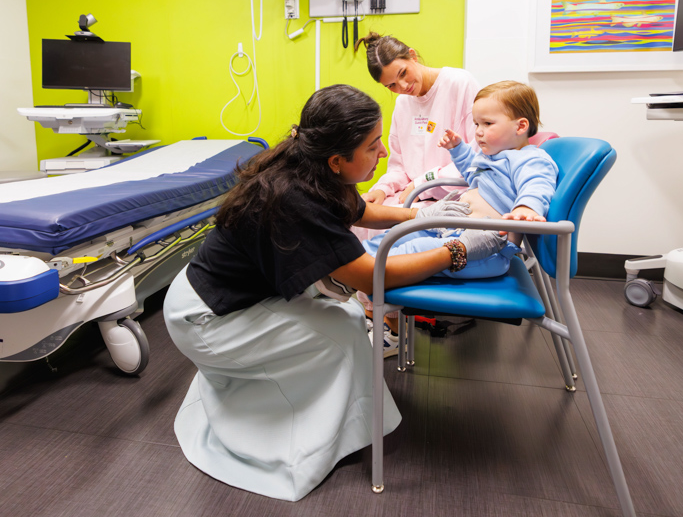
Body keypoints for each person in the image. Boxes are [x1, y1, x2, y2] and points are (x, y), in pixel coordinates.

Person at [162, 84, 506, 502]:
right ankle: (289, 438)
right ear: (338, 159)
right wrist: (456, 251)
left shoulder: (313, 167)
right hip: (207, 319)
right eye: (373, 145)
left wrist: (419, 214)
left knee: (344, 319)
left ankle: (328, 416)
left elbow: (360, 210)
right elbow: (373, 277)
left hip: (219, 296)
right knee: (343, 331)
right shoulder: (295, 199)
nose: (382, 154)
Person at [353, 32, 481, 348]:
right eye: (392, 86)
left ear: (412, 56)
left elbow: (476, 157)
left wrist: (422, 181)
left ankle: (391, 327)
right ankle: (374, 317)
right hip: (415, 195)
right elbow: (398, 164)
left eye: (403, 74)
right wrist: (382, 189)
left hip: (454, 193)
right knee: (360, 219)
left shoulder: (459, 84)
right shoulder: (402, 105)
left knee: (387, 229)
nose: (403, 87)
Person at [362, 80, 558, 279]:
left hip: (486, 251)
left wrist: (526, 208)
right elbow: (473, 174)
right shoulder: (493, 157)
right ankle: (353, 263)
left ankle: (369, 273)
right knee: (397, 235)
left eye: (487, 123)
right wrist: (458, 150)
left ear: (521, 126)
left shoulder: (531, 159)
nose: (479, 131)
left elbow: (537, 185)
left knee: (414, 247)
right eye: (476, 124)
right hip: (454, 233)